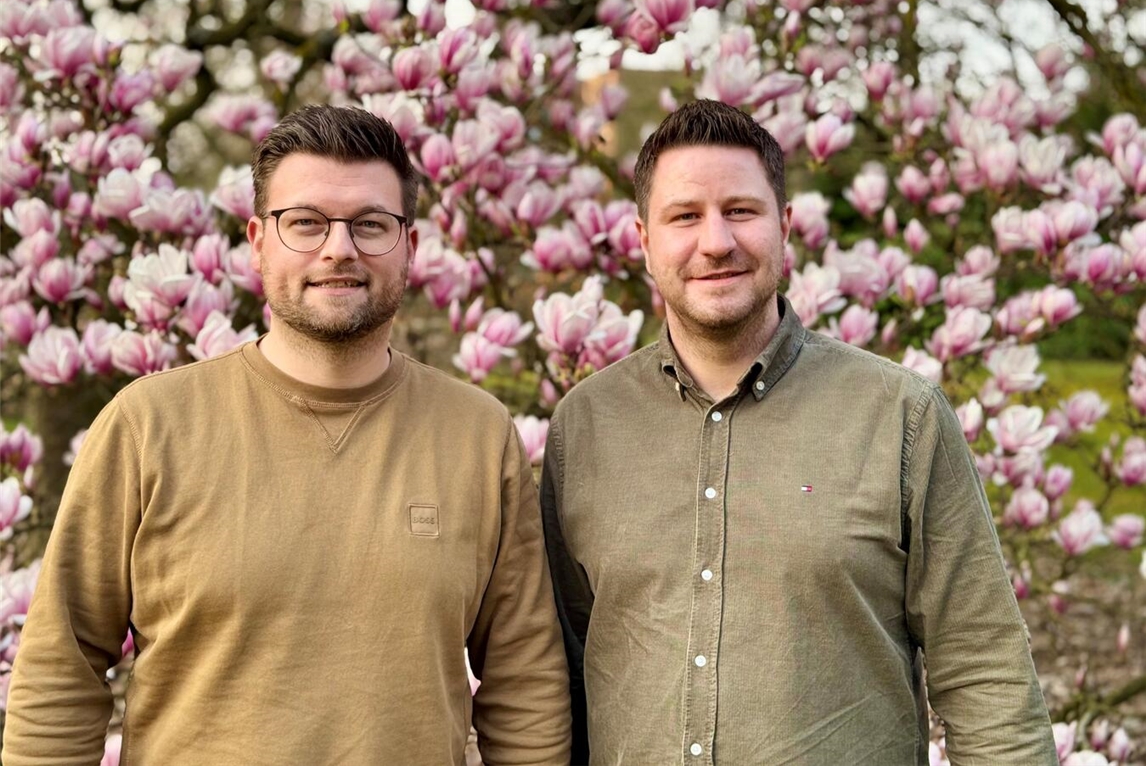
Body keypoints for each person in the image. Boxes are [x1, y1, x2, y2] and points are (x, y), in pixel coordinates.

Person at [4, 105, 570, 766]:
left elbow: (524, 682)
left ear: (409, 246)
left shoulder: (478, 435)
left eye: (370, 224)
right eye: (305, 223)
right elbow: (60, 668)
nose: (339, 248)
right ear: (258, 240)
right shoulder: (148, 425)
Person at [540, 99, 1057, 765]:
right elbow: (562, 676)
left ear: (784, 226)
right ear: (643, 240)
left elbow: (988, 676)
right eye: (685, 216)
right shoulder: (583, 428)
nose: (717, 241)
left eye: (741, 211)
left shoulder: (901, 417)